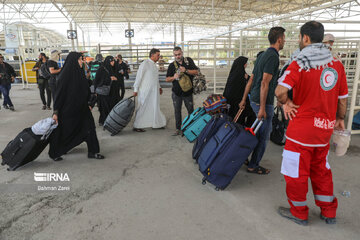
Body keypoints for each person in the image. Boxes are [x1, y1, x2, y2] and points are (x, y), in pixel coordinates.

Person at [275, 21, 348, 226]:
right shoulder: (337, 64)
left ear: (305, 38)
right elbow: (342, 99)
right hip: (323, 132)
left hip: (300, 133)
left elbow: (280, 91)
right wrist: (340, 119)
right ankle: (329, 212)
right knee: (321, 171)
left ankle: (298, 212)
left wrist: (287, 103)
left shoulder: (300, 63)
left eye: (299, 37)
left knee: (296, 173)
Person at [239, 26, 286, 175]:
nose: (284, 40)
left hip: (254, 99)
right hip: (262, 103)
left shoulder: (262, 55)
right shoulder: (273, 57)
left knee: (256, 132)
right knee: (264, 136)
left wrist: (244, 99)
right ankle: (253, 164)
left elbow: (252, 79)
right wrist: (262, 108)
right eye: (284, 38)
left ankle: (244, 157)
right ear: (279, 39)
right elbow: (265, 83)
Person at [49, 52, 104, 161]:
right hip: (68, 111)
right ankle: (56, 152)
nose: (82, 61)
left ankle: (93, 152)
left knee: (90, 128)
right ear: (74, 61)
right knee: (66, 132)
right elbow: (58, 96)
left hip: (82, 108)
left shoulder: (79, 74)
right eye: (80, 59)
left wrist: (91, 103)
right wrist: (56, 112)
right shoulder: (63, 77)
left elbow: (86, 90)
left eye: (82, 59)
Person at [166, 47, 198, 135]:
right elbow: (167, 79)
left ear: (182, 53)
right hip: (176, 93)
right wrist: (174, 77)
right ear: (173, 55)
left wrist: (186, 70)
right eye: (175, 55)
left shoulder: (188, 61)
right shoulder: (172, 65)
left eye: (179, 54)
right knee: (177, 111)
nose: (177, 56)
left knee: (191, 110)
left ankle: (192, 127)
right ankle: (178, 129)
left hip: (188, 92)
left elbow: (196, 72)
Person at [132, 48, 166, 132]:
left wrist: (159, 87)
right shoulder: (145, 64)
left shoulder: (154, 65)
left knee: (154, 107)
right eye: (158, 55)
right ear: (152, 55)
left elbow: (155, 78)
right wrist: (135, 89)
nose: (159, 57)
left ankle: (157, 124)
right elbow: (139, 77)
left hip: (154, 91)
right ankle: (137, 125)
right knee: (143, 107)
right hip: (145, 91)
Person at [223, 56, 256, 127]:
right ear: (243, 64)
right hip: (238, 101)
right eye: (246, 63)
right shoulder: (240, 74)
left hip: (232, 101)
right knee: (250, 114)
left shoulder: (235, 73)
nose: (246, 64)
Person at [93, 56, 117, 125]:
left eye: (113, 61)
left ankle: (106, 120)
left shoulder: (110, 68)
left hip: (109, 92)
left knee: (108, 106)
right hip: (102, 92)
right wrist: (110, 79)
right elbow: (98, 80)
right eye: (111, 61)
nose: (113, 63)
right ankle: (103, 120)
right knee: (103, 107)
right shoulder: (101, 69)